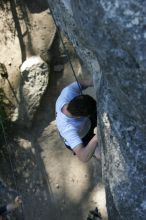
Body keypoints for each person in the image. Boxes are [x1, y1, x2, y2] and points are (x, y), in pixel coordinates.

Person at [56, 79, 100, 162]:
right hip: (82, 137)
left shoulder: (68, 92)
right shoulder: (68, 129)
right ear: (79, 117)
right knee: (100, 154)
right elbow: (83, 157)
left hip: (86, 124)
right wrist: (97, 137)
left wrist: (95, 82)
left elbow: (83, 83)